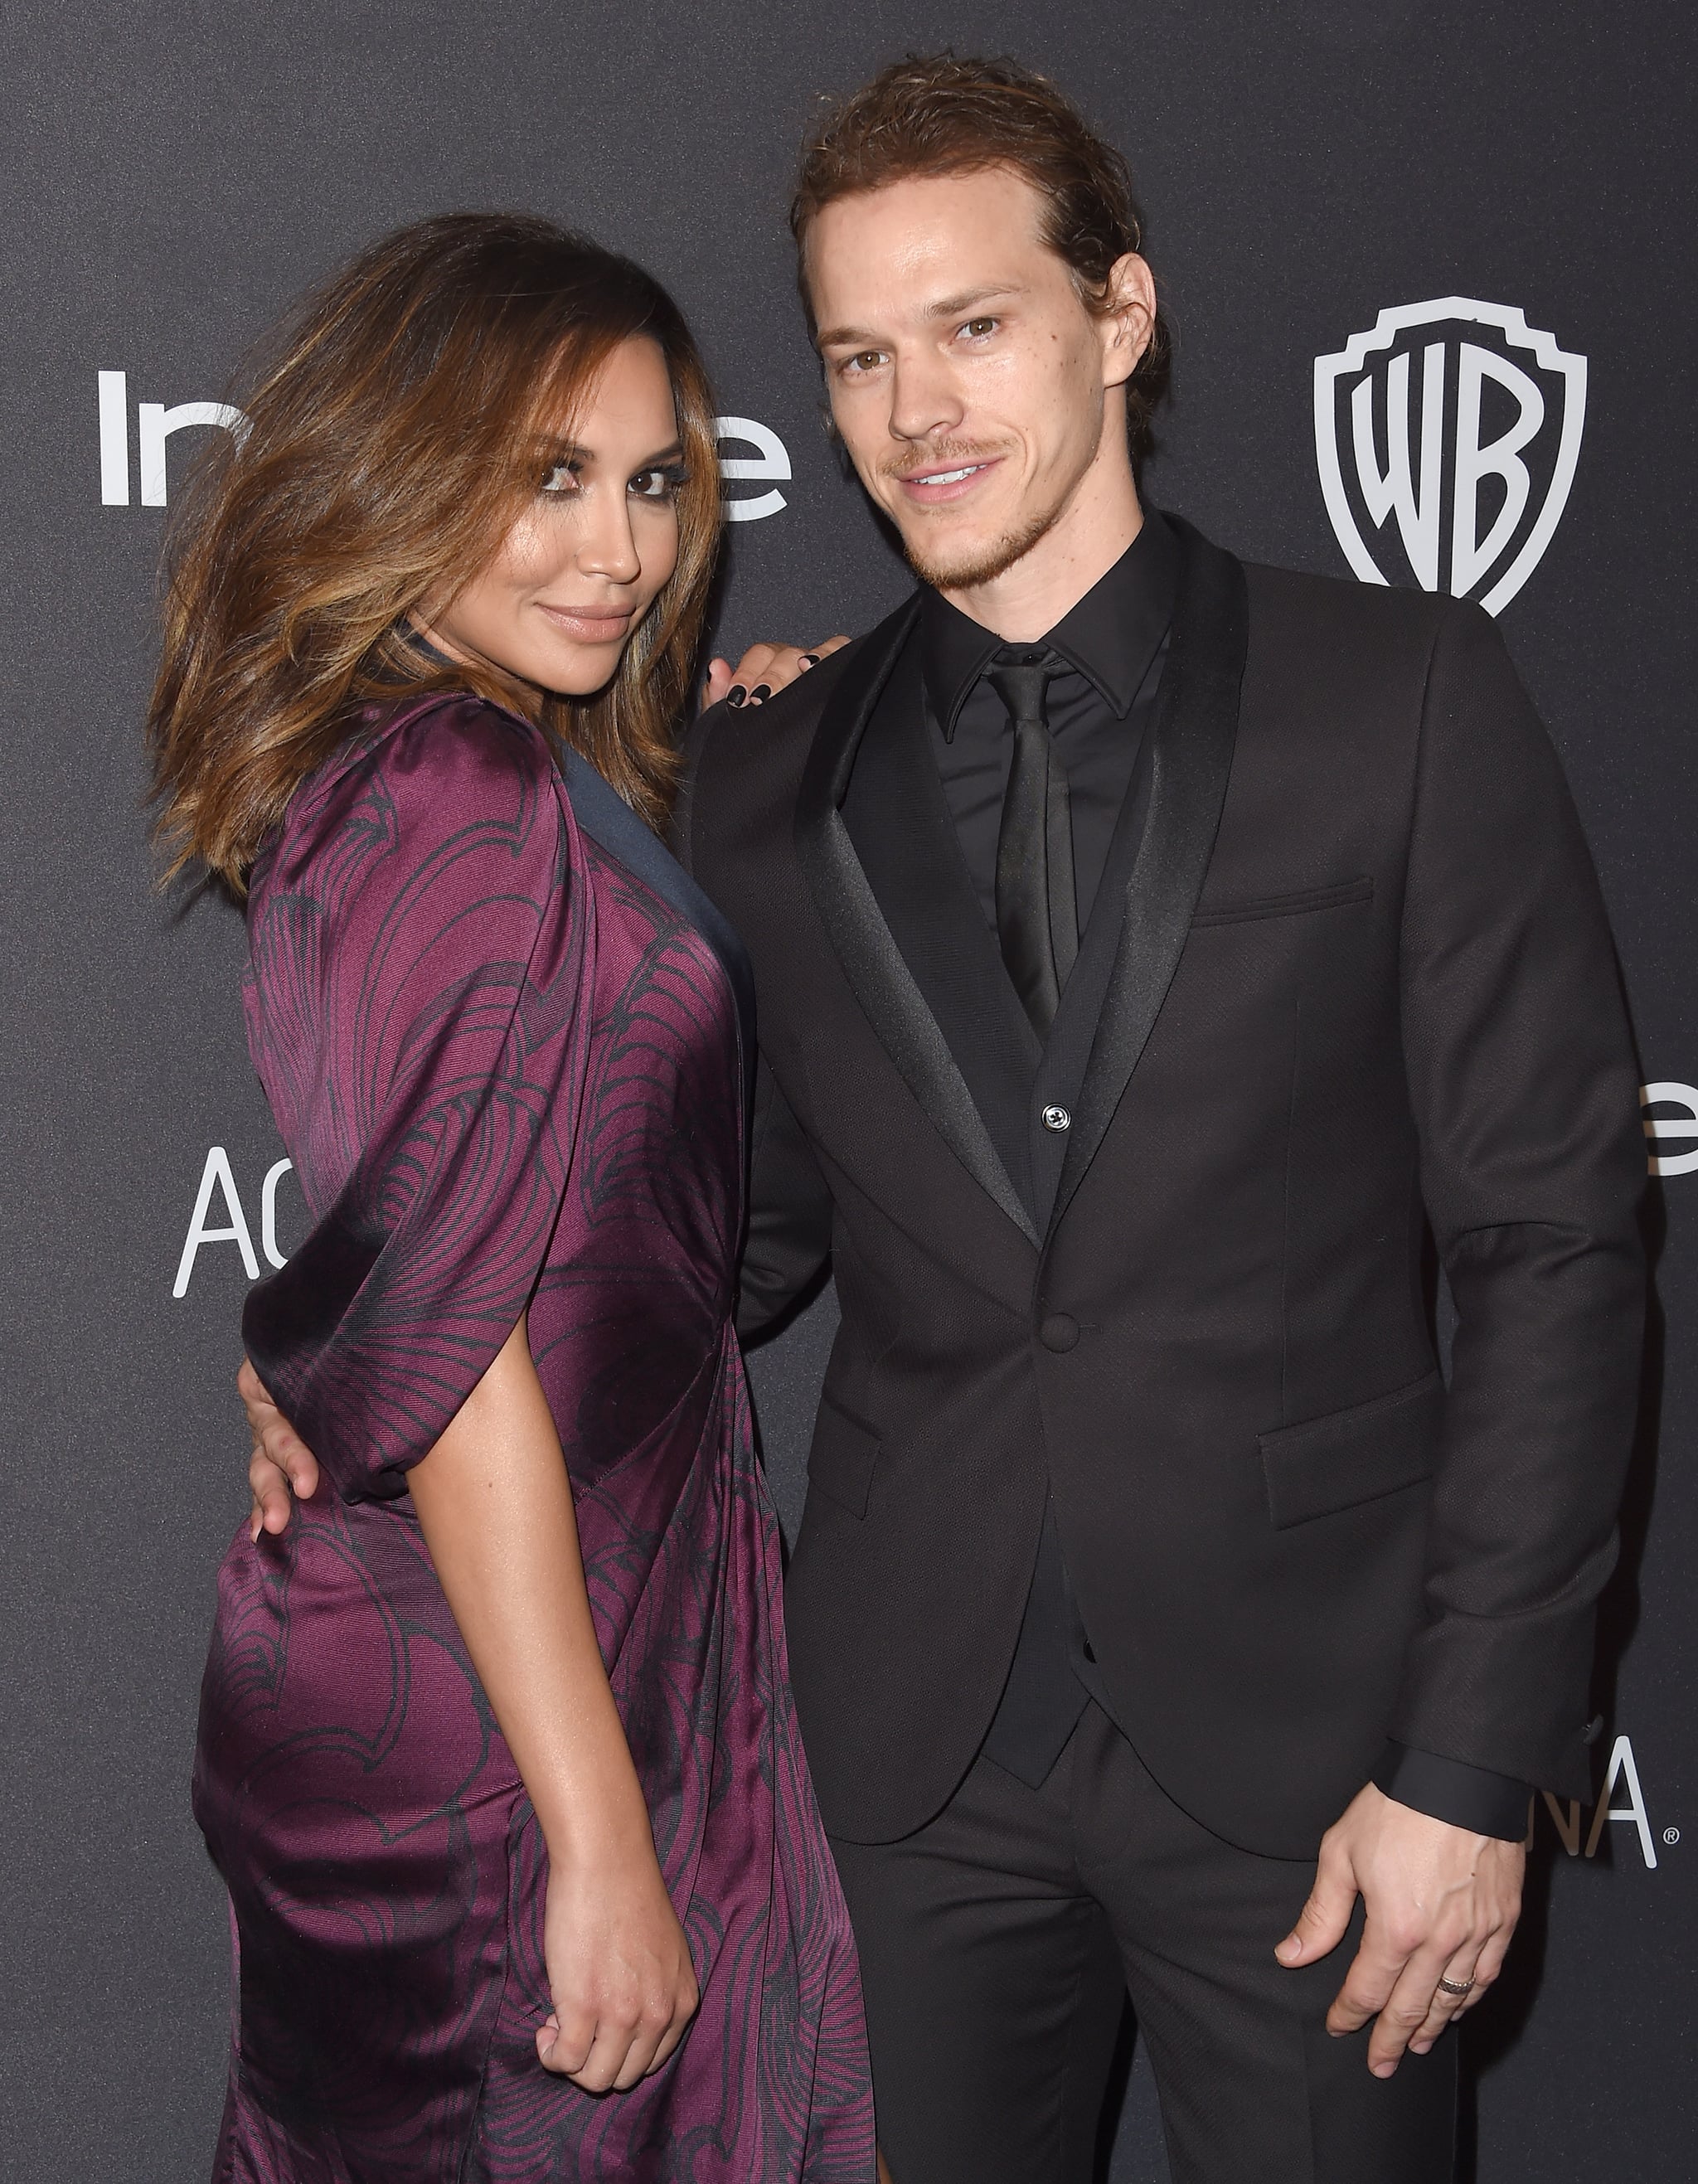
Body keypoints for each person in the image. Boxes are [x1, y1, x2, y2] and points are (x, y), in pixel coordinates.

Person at [245, 60, 1647, 2184]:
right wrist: (364, 1361)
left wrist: (1470, 1768)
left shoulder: (1404, 699)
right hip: (894, 1769)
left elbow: (1556, 1250)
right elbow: (704, 1236)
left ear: (1123, 317)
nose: (918, 416)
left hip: (1320, 1759)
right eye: (859, 359)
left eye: (974, 328)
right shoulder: (758, 775)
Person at [154, 211, 873, 2182]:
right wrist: (599, 1837)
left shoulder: (456, 770)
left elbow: (521, 1242)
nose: (621, 552)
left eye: (652, 484)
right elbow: (460, 1357)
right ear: (404, 464)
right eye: (547, 477)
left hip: (550, 1642)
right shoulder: (455, 787)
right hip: (496, 1722)